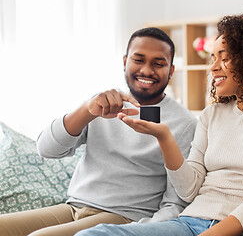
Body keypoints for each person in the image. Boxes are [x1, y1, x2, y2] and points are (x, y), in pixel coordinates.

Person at [75, 13, 243, 236]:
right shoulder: (212, 114)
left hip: (238, 228)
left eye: (225, 58)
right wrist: (164, 137)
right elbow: (189, 190)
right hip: (188, 223)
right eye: (213, 58)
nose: (213, 67)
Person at [0, 27, 197, 236]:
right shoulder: (102, 103)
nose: (147, 70)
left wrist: (143, 231)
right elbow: (46, 149)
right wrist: (86, 110)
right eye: (138, 60)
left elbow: (176, 202)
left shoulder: (184, 124)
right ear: (124, 62)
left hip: (124, 217)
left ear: (171, 71)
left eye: (158, 64)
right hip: (73, 207)